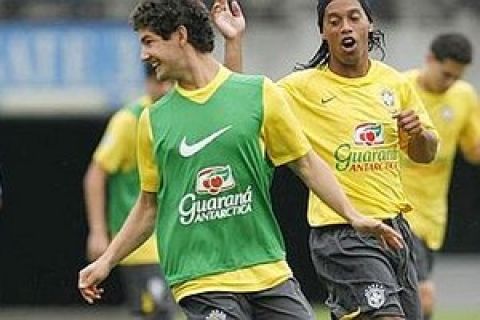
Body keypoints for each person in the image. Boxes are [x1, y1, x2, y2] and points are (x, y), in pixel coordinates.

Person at [78, 1, 404, 319]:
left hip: (267, 270)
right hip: (201, 278)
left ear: (180, 36)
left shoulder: (259, 93)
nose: (143, 54)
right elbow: (148, 207)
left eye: (148, 41)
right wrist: (106, 260)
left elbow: (305, 162)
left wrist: (352, 215)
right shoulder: (152, 121)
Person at [214, 0, 439, 319]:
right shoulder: (300, 88)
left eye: (353, 17)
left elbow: (426, 154)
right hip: (342, 233)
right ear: (322, 32)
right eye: (334, 21)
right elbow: (238, 110)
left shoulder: (394, 83)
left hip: (395, 230)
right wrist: (233, 41)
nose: (344, 26)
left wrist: (419, 135)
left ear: (369, 24)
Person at [83, 62, 177, 320]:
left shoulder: (180, 114)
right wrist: (99, 232)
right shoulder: (129, 120)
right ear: (149, 82)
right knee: (155, 312)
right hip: (141, 244)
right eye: (159, 81)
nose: (166, 88)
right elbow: (96, 174)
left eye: (171, 82)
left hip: (178, 242)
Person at [400, 33, 480, 320]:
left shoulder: (464, 96)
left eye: (455, 77)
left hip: (432, 219)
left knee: (407, 302)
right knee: (424, 296)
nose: (449, 82)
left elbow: (474, 151)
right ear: (430, 59)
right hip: (396, 211)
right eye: (445, 74)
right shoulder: (399, 88)